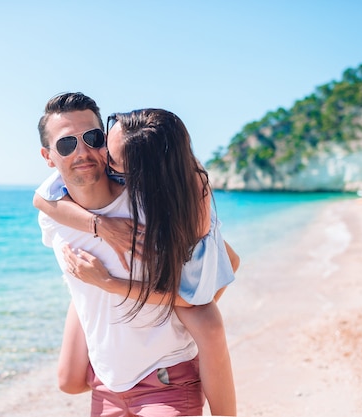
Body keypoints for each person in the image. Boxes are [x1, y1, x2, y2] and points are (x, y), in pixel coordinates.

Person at [35, 95, 239, 415]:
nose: (84, 151)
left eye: (93, 138)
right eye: (66, 145)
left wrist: (108, 282)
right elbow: (41, 200)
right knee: (69, 381)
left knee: (207, 326)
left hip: (166, 377)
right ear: (48, 157)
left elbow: (231, 260)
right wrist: (99, 228)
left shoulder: (160, 200)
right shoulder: (53, 212)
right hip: (108, 382)